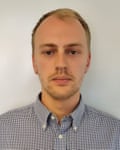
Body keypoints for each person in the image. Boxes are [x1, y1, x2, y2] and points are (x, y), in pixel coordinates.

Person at [0, 8, 120, 150]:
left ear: (87, 62)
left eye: (73, 52)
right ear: (34, 63)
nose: (61, 64)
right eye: (49, 52)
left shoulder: (115, 136)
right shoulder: (3, 132)